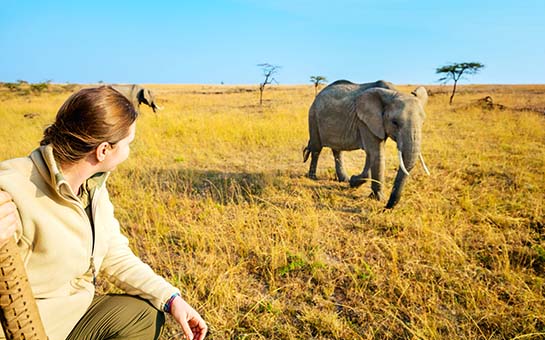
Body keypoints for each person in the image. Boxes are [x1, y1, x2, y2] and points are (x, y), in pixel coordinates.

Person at [0, 86, 207, 340]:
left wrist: (171, 299)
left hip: (75, 315)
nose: (129, 152)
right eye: (128, 143)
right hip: (29, 329)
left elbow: (113, 253)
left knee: (142, 316)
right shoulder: (12, 188)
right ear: (104, 151)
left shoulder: (92, 185)